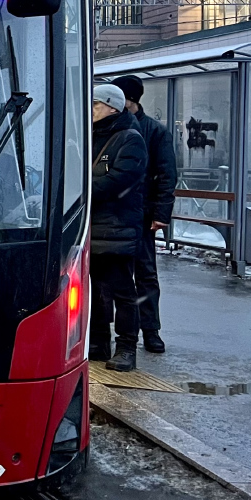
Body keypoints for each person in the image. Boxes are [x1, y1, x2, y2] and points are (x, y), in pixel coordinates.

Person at [111, 75, 177, 354]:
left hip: (143, 215)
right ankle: (125, 332)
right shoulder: (111, 128)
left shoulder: (155, 132)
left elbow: (167, 174)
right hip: (116, 214)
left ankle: (151, 330)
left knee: (146, 274)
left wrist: (161, 213)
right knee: (117, 275)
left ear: (131, 99)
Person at [90, 82, 148, 372]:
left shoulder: (130, 139)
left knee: (124, 290)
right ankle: (98, 344)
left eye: (96, 105)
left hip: (118, 228)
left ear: (112, 106)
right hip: (94, 228)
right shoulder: (92, 136)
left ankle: (127, 347)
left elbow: (119, 181)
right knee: (95, 289)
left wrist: (83, 190)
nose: (91, 111)